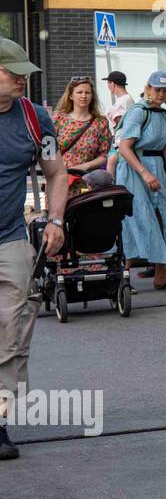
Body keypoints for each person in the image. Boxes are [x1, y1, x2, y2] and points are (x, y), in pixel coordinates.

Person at [0, 38, 68, 461]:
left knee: (12, 332)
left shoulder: (34, 117)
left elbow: (56, 171)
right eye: (13, 72)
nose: (23, 78)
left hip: (9, 238)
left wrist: (56, 220)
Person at [115, 71, 166, 291]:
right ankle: (122, 276)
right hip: (135, 169)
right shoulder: (137, 113)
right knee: (137, 219)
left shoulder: (164, 115)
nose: (162, 94)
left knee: (165, 218)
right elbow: (124, 148)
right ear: (148, 88)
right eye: (158, 89)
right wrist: (144, 173)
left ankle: (161, 276)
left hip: (157, 169)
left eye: (165, 90)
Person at [52, 76, 112, 191]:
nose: (83, 96)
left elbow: (104, 156)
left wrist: (85, 166)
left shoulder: (100, 122)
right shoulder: (58, 119)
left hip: (87, 180)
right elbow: (48, 151)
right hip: (61, 178)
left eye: (87, 92)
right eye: (79, 92)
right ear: (71, 96)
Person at [102, 70, 133, 177]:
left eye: (108, 83)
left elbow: (120, 123)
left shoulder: (123, 101)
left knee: (111, 163)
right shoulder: (126, 99)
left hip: (119, 141)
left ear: (113, 84)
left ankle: (109, 188)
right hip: (120, 140)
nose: (108, 86)